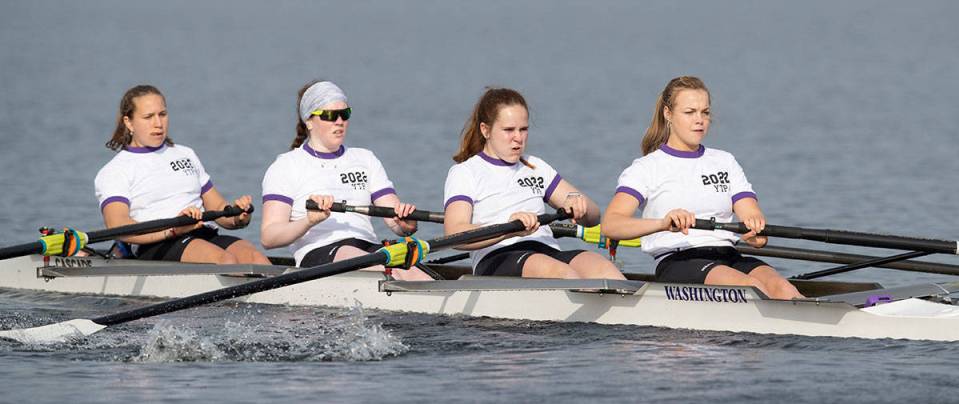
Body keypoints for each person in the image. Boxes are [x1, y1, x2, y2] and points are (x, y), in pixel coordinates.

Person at [601, 76, 803, 299]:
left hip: (729, 255)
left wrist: (756, 233)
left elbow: (751, 214)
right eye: (690, 112)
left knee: (784, 289)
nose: (700, 120)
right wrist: (662, 224)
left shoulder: (725, 161)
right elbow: (611, 224)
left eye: (705, 112)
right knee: (752, 290)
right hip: (679, 261)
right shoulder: (646, 168)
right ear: (668, 114)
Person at [443, 87, 625, 280]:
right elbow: (454, 232)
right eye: (508, 130)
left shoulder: (535, 166)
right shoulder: (465, 172)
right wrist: (507, 228)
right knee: (563, 273)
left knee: (604, 269)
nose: (518, 138)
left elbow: (594, 217)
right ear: (485, 130)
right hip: (498, 257)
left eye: (523, 129)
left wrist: (579, 205)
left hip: (547, 251)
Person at [260, 80, 431, 280]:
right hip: (319, 254)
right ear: (309, 120)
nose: (339, 121)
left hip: (368, 248)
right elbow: (269, 237)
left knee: (417, 276)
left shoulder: (365, 159)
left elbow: (396, 223)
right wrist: (309, 220)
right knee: (381, 267)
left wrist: (407, 223)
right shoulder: (286, 166)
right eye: (330, 115)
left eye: (345, 114)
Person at [94, 85, 270, 265]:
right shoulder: (115, 170)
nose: (158, 123)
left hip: (203, 233)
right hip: (156, 244)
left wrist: (237, 216)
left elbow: (216, 206)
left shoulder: (186, 154)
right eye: (148, 117)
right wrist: (172, 231)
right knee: (226, 261)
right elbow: (117, 225)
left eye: (162, 114)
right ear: (129, 122)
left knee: (257, 260)